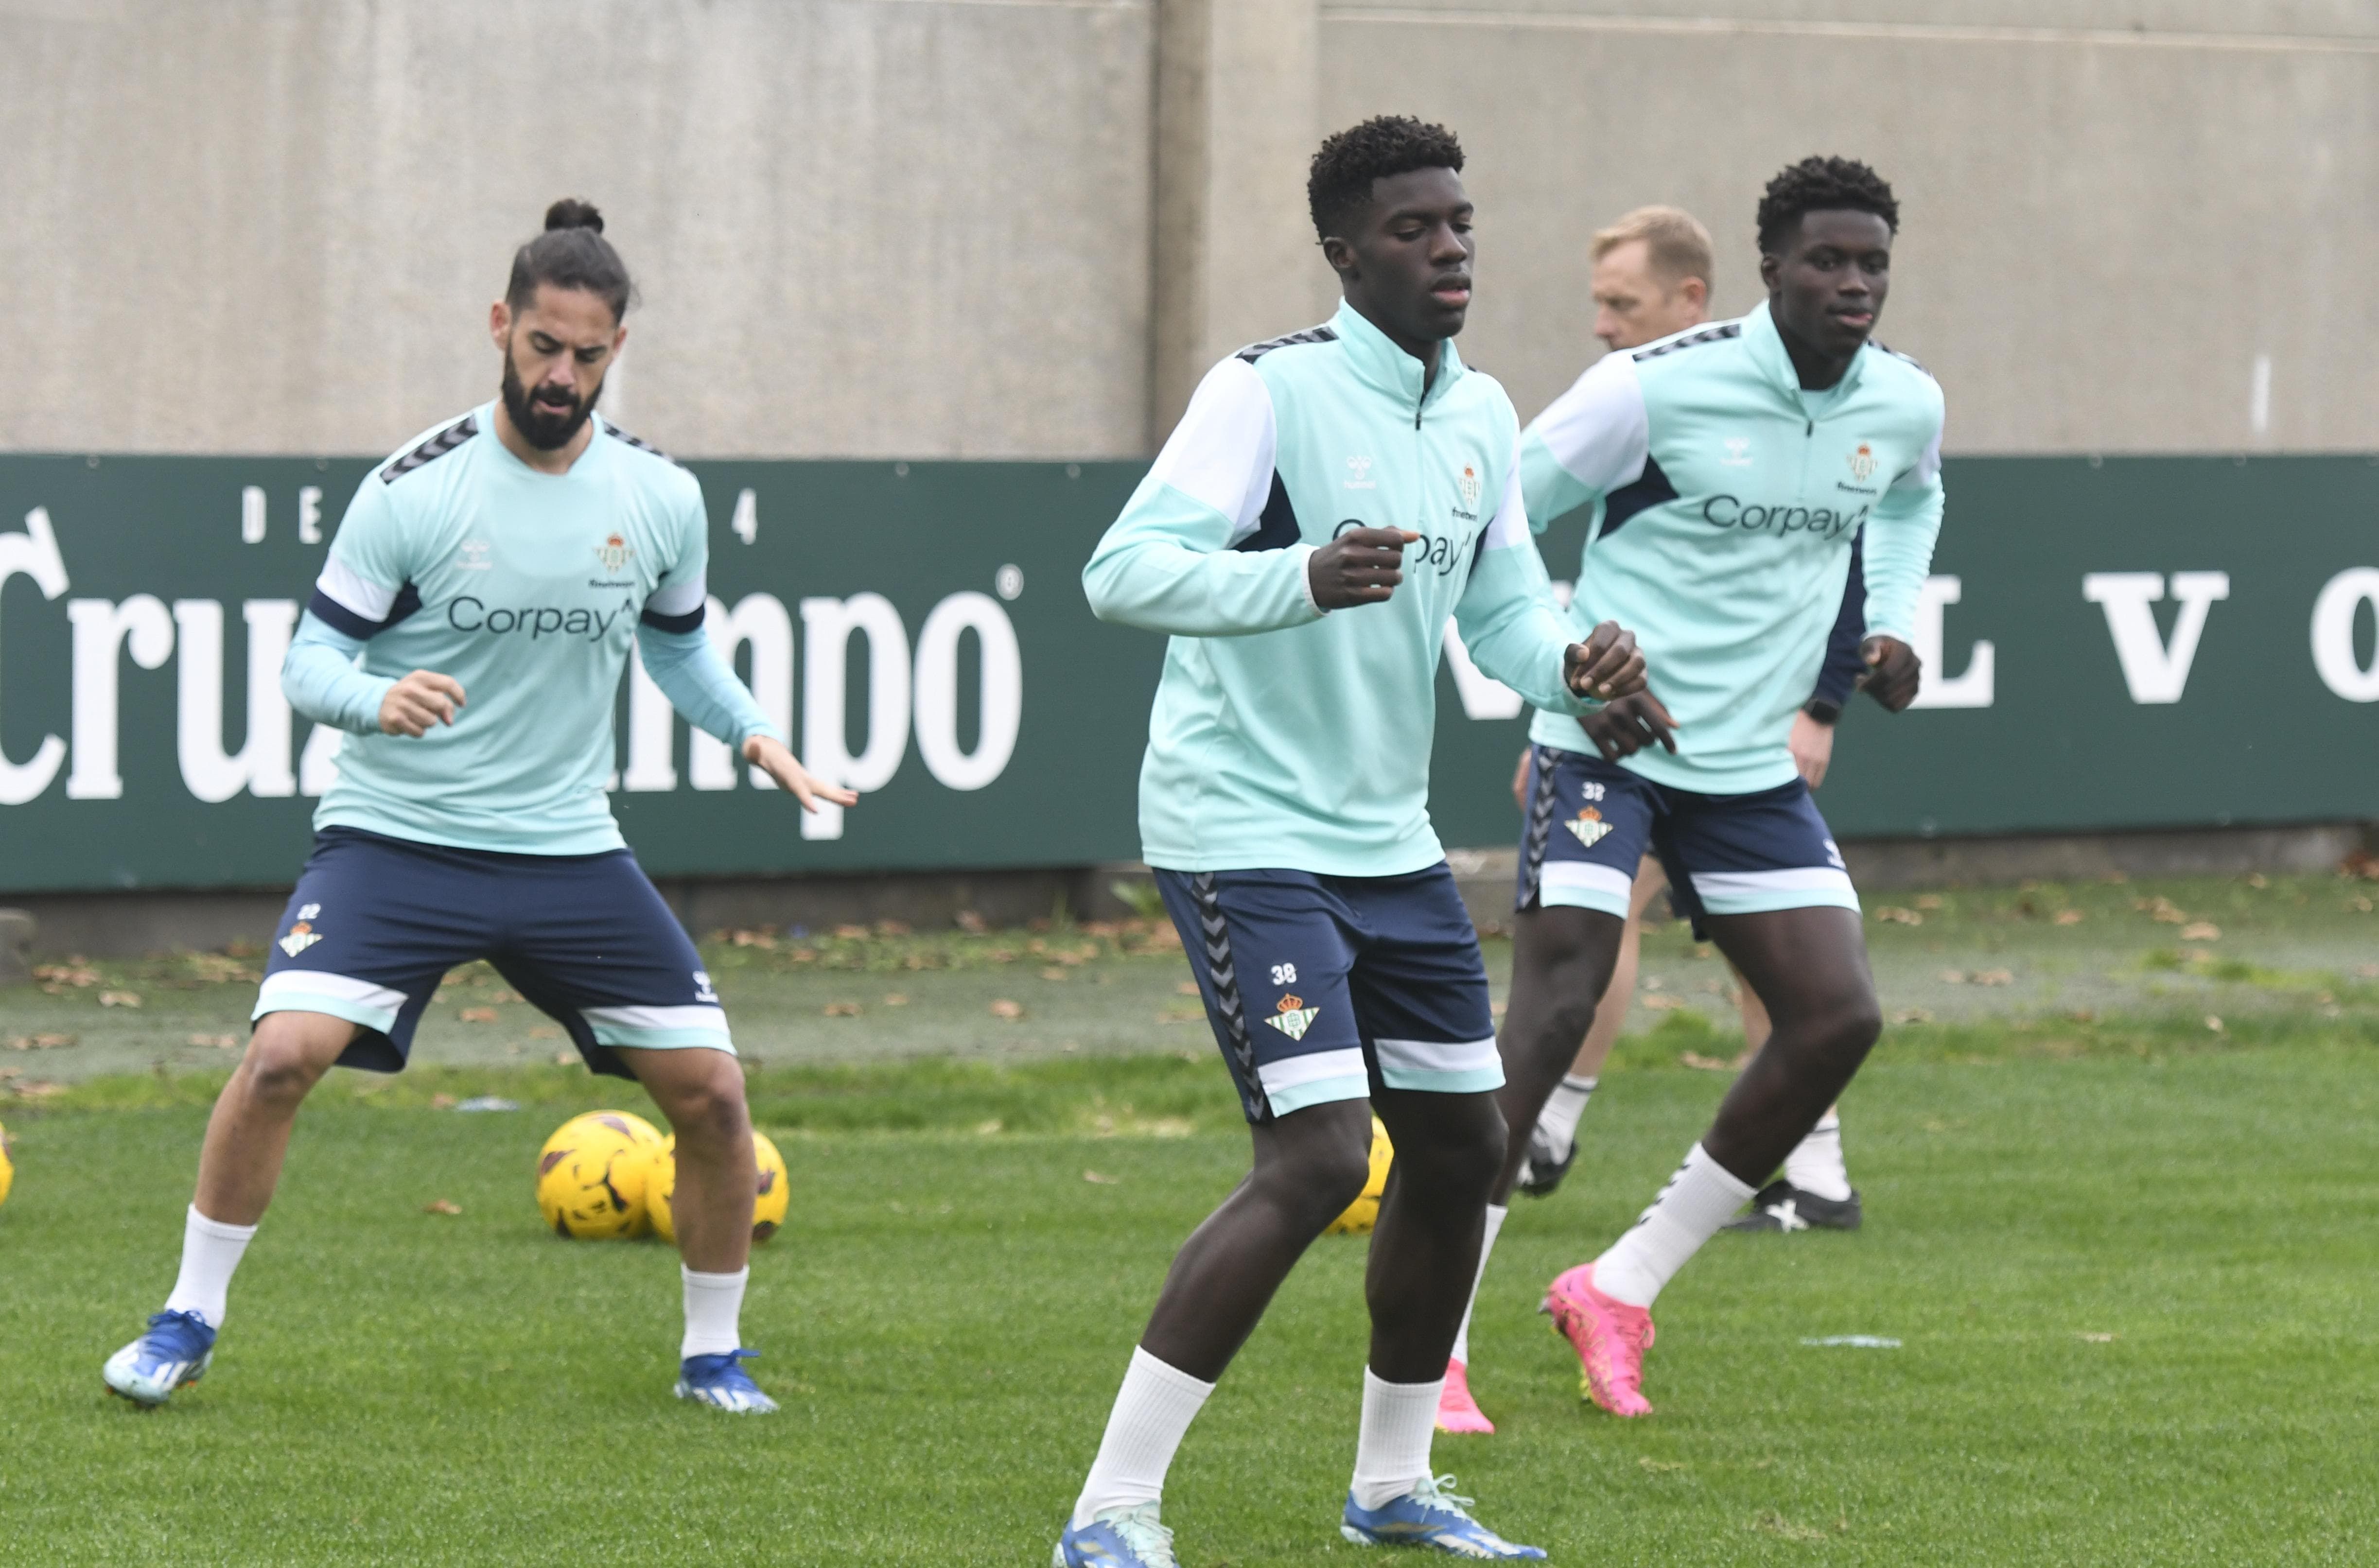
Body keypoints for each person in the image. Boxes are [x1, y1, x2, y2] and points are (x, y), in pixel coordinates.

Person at [101, 201, 856, 1417]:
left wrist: (756, 735)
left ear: (617, 351)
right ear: (501, 325)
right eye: (543, 346)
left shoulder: (660, 496)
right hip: (395, 839)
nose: (561, 375)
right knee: (284, 1057)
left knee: (713, 1096)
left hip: (566, 851)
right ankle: (186, 1316)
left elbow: (679, 652)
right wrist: (374, 698)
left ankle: (713, 1355)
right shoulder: (415, 488)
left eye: (588, 355)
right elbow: (305, 663)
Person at [1055, 117, 1648, 1566]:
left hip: (1385, 844)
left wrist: (1574, 663)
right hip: (1240, 830)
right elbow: (1118, 573)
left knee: (1459, 1144)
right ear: (1343, 252)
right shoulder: (1264, 395)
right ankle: (1108, 1511)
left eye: (1458, 222)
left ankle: (1390, 1486)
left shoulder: (1479, 416)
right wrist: (1296, 578)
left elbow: (1503, 610)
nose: (1447, 247)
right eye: (1410, 228)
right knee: (1321, 1157)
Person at [1458, 157, 1944, 1426]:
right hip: (1603, 750)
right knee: (1554, 1004)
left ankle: (1615, 1288)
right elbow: (1493, 516)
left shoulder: (1898, 402)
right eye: (1825, 261)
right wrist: (1564, 668)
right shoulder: (1647, 390)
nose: (1851, 283)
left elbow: (1909, 500)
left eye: (1870, 263)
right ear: (1766, 266)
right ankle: (1434, 1341)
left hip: (1739, 774)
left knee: (1834, 1018)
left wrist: (1886, 628)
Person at [1506, 208, 1864, 1232]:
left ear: (1691, 299)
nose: (1601, 324)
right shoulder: (1643, 403)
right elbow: (1498, 535)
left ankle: (1555, 1123)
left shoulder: (1812, 405)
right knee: (1661, 935)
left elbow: (1847, 549)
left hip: (1738, 740)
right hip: (1631, 732)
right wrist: (1562, 696)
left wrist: (1821, 704)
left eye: (1620, 302)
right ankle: (1805, 1166)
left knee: (1776, 960)